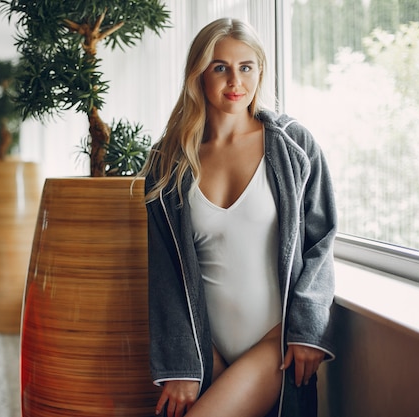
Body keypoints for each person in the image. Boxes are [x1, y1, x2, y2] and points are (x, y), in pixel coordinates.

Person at [141, 17, 337, 417]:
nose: (235, 80)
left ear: (260, 70)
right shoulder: (169, 162)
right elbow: (165, 272)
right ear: (199, 74)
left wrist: (307, 330)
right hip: (204, 348)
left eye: (245, 67)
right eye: (220, 67)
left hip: (275, 346)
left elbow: (322, 240)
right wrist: (182, 362)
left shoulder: (293, 146)